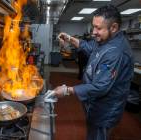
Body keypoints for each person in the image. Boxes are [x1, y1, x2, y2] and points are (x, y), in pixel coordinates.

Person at [55, 5, 134, 140]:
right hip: (94, 103)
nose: (93, 32)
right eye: (93, 27)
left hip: (106, 109)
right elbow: (89, 46)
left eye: (98, 28)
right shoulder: (105, 39)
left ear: (113, 27)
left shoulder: (116, 52)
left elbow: (100, 87)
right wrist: (69, 38)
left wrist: (67, 90)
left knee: (97, 136)